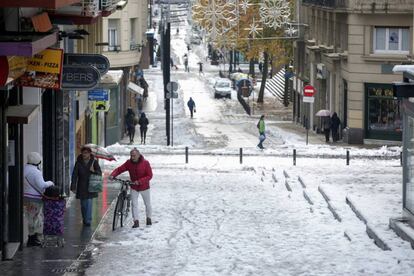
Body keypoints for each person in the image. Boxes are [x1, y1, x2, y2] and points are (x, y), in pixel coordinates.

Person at [109, 148, 153, 228]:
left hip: (144, 187)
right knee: (134, 204)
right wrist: (113, 175)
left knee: (147, 204)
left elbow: (149, 175)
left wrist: (140, 181)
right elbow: (120, 169)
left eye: (134, 156)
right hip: (134, 186)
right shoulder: (129, 163)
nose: (132, 157)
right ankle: (136, 221)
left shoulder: (145, 163)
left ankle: (148, 218)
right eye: (131, 156)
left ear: (139, 155)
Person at [24, 152, 54, 246]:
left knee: (30, 217)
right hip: (34, 198)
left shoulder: (24, 168)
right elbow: (42, 185)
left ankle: (32, 238)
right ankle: (32, 239)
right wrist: (50, 182)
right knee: (34, 218)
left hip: (25, 196)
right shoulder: (35, 172)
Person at [70, 146, 102, 226]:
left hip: (91, 185)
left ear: (89, 153)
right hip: (81, 186)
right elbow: (74, 175)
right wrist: (73, 186)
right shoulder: (78, 162)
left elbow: (100, 173)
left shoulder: (94, 162)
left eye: (86, 153)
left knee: (89, 203)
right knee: (83, 205)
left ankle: (88, 220)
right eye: (83, 153)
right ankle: (85, 219)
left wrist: (94, 171)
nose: (84, 154)